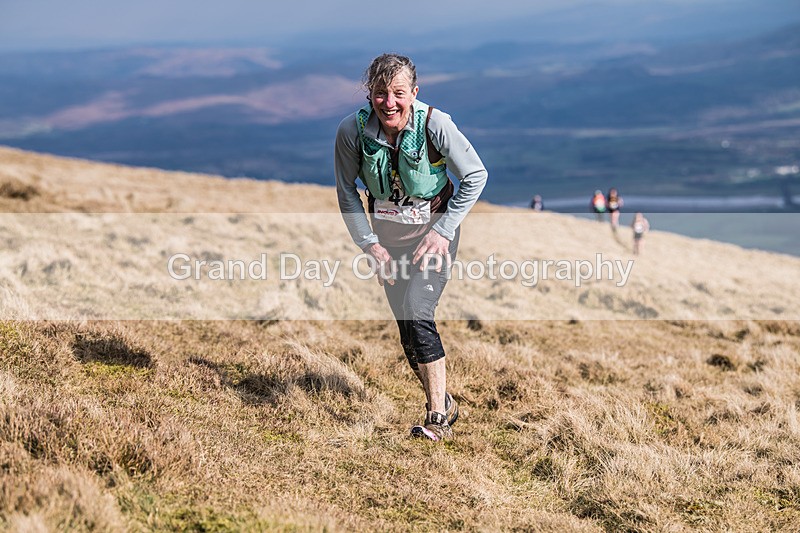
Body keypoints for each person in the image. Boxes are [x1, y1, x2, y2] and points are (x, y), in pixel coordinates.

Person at [335, 54, 488, 442]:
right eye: (381, 93)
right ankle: (444, 401)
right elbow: (346, 192)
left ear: (413, 93)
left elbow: (475, 175)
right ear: (369, 95)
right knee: (408, 331)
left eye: (399, 93)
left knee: (419, 312)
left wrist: (444, 231)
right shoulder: (351, 133)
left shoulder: (435, 124)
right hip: (387, 244)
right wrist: (368, 244)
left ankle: (437, 417)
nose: (390, 103)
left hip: (434, 237)